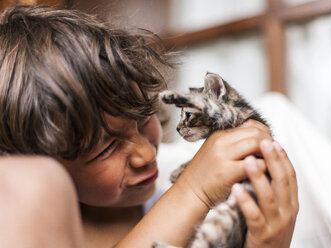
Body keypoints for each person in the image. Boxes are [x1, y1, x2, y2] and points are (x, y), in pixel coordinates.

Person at [0, 5, 299, 248]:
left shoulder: (169, 199)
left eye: (144, 120)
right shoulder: (25, 224)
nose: (145, 154)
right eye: (106, 148)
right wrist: (192, 192)